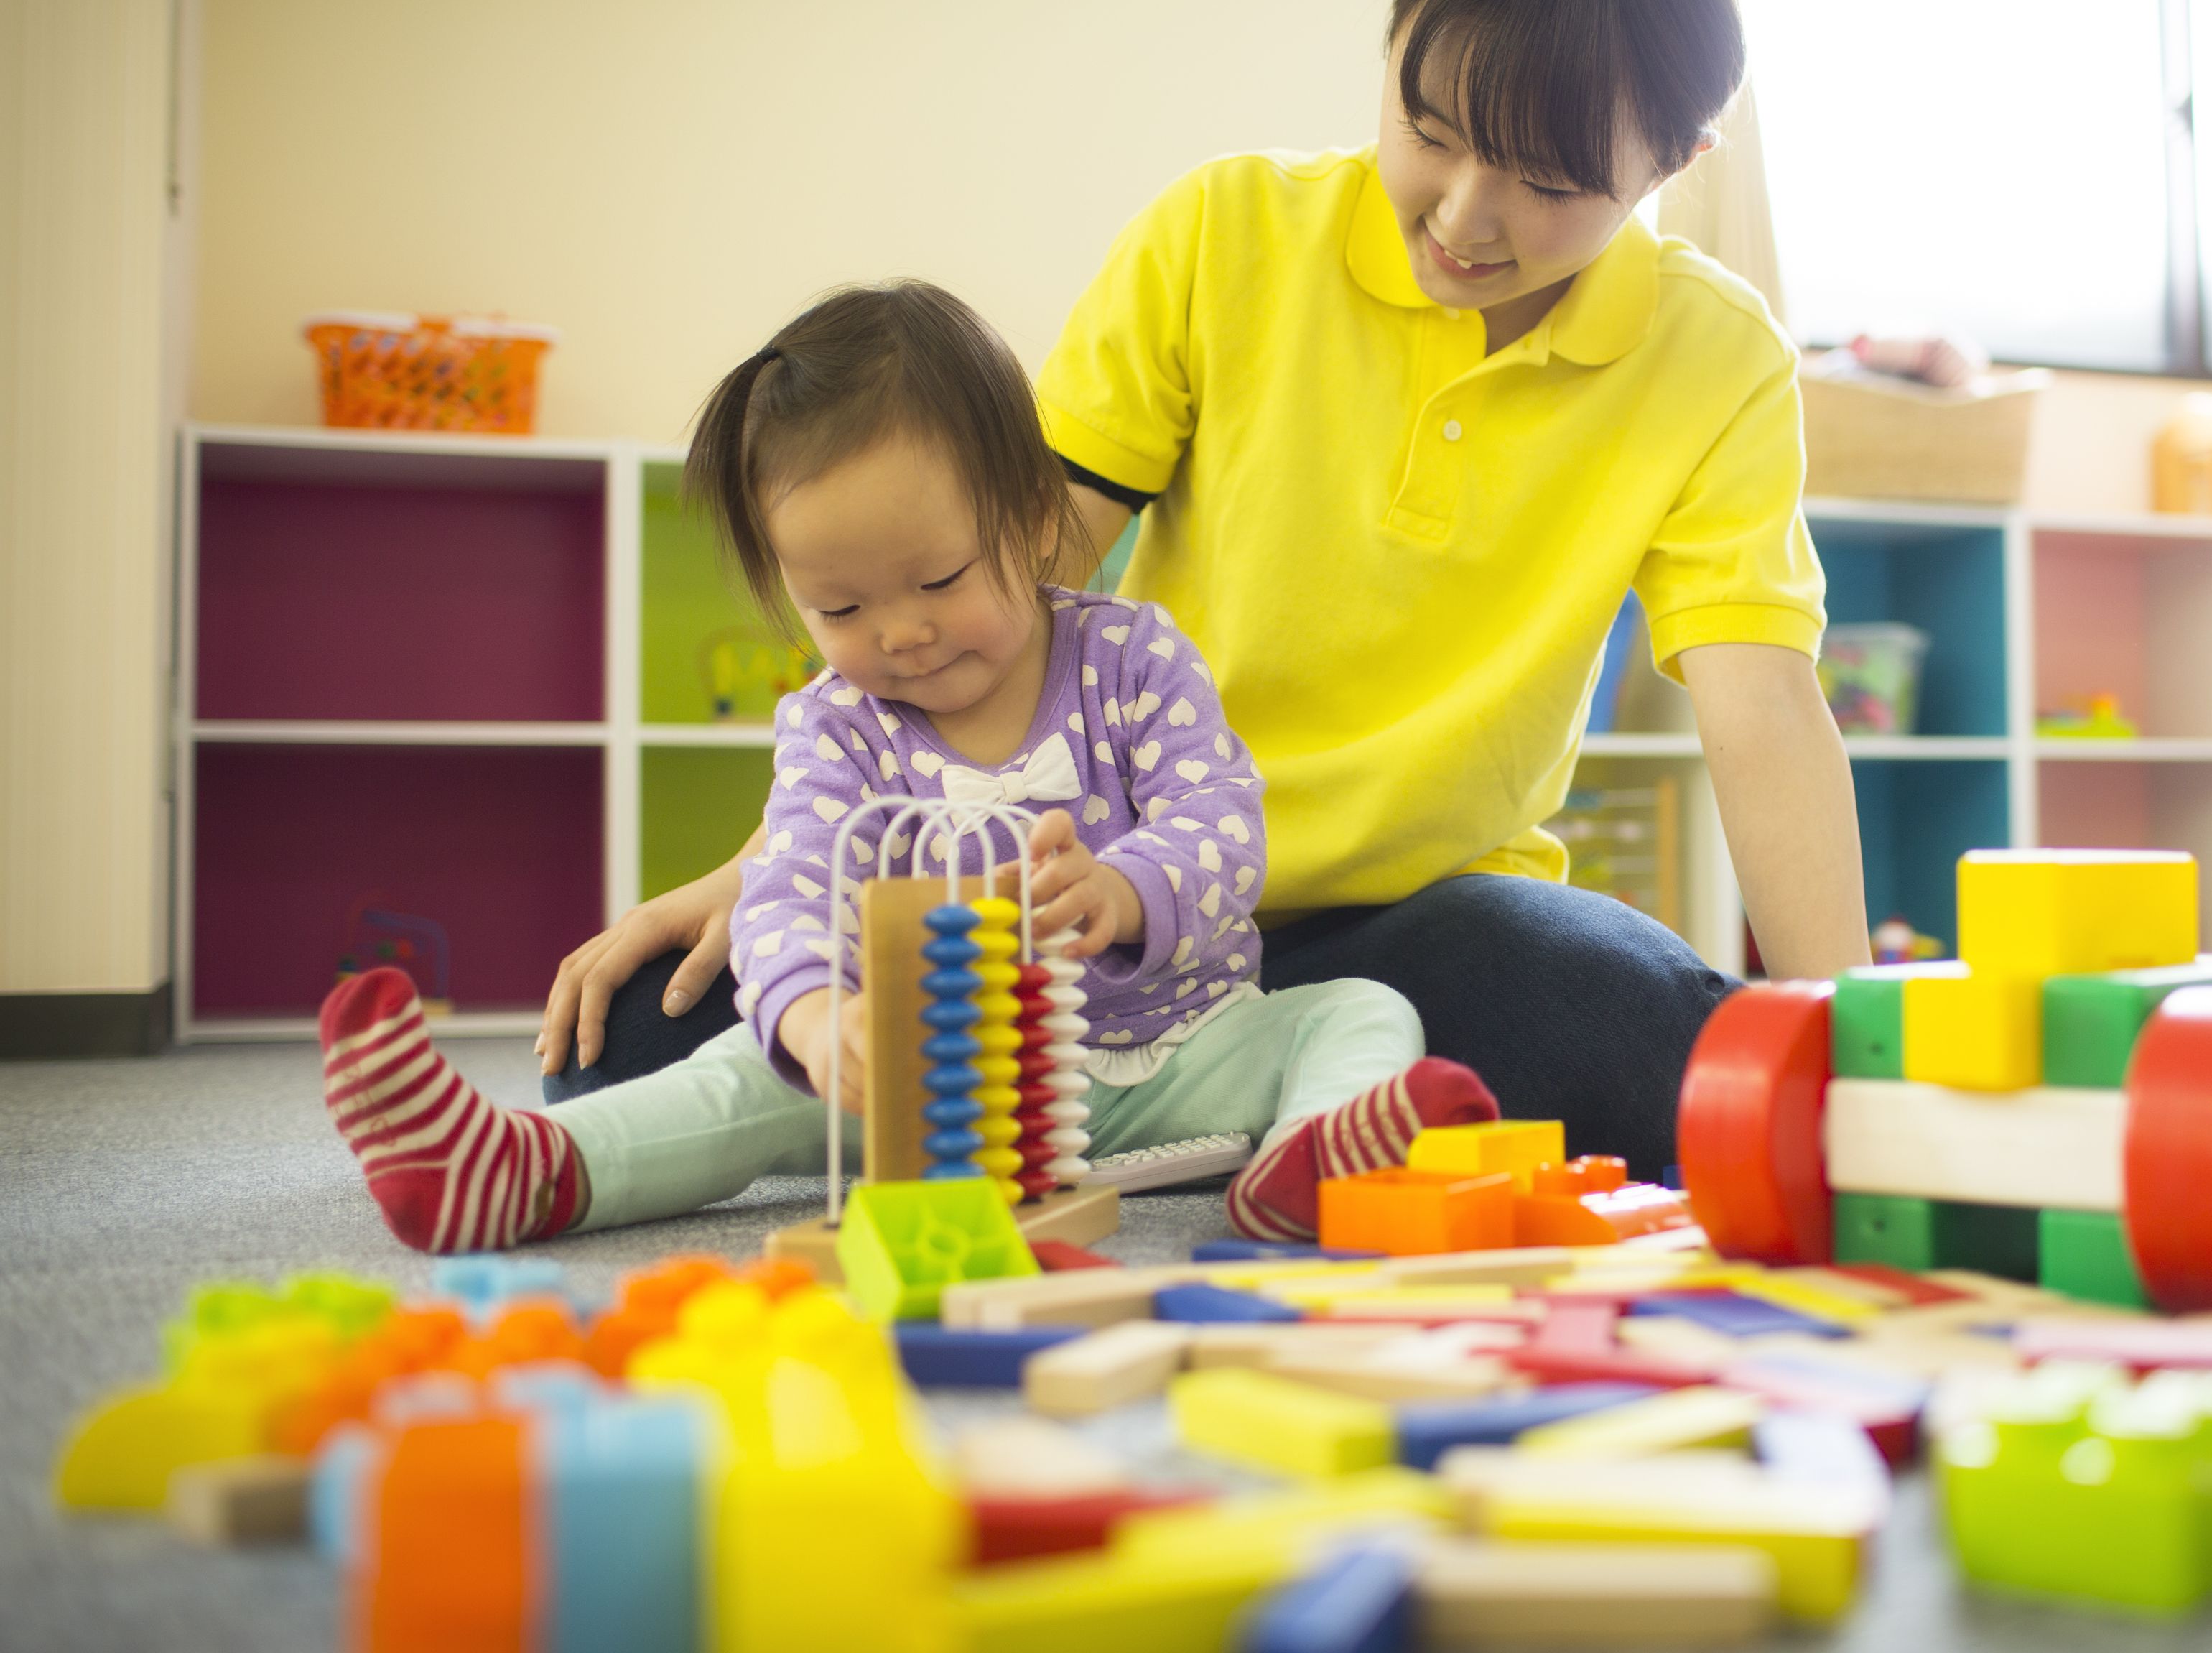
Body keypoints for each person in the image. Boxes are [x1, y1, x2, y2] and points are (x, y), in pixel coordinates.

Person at [539, 0, 1871, 1174]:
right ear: (1396, 36)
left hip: (1424, 926)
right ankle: (1275, 1114)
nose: (1467, 216)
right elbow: (988, 582)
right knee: (631, 1047)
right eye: (1432, 133)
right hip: (1102, 894)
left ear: (1680, 160)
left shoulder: (1718, 356)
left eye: (1552, 184)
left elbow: (1761, 704)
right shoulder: (1224, 232)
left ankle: (1286, 1112)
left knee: (1640, 1039)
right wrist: (781, 865)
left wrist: (1847, 1043)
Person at [315, 281, 1492, 1254]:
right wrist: (822, 1022)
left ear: (1033, 517)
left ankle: (1314, 1162)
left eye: (937, 581)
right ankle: (524, 1168)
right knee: (742, 1077)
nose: (903, 635)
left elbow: (1223, 816)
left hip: (1176, 1047)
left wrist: (1125, 889)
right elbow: (786, 888)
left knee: (1356, 1009)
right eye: (840, 606)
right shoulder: (836, 726)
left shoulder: (1128, 655)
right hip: (935, 1081)